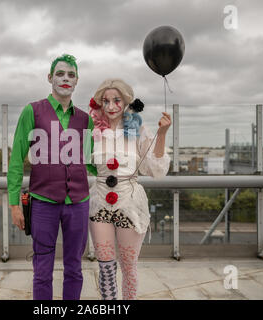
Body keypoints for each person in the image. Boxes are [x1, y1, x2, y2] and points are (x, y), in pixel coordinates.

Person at [7, 54, 96, 300]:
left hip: (78, 203)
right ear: (50, 78)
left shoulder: (85, 119)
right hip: (42, 202)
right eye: (60, 74)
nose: (65, 79)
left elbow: (89, 160)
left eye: (71, 75)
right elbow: (16, 160)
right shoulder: (32, 111)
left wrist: (118, 166)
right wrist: (14, 203)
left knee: (75, 268)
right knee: (42, 270)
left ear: (77, 80)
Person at [88, 78, 171, 300]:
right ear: (99, 103)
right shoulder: (92, 131)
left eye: (117, 100)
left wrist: (161, 134)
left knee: (129, 268)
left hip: (130, 203)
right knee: (105, 269)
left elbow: (156, 169)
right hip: (100, 204)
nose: (111, 106)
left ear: (126, 101)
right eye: (106, 101)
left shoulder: (138, 129)